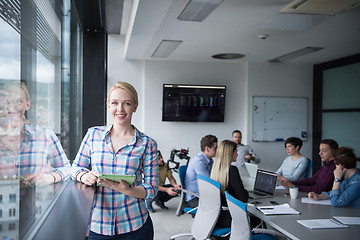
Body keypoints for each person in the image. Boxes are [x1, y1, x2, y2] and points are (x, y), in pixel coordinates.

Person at [71, 82, 158, 239]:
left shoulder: (147, 143)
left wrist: (128, 190)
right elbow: (76, 167)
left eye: (127, 103)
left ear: (135, 107)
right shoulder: (93, 135)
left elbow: (152, 188)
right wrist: (84, 176)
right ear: (108, 106)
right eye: (115, 103)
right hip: (98, 225)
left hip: (135, 225)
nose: (120, 109)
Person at [0, 82, 70, 185]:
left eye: (18, 101)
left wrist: (50, 178)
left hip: (37, 200)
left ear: (27, 105)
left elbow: (66, 168)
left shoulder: (45, 135)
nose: (11, 107)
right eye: (7, 102)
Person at [210, 140, 248, 228]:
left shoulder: (215, 169)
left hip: (217, 217)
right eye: (236, 152)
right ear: (230, 153)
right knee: (258, 220)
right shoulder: (232, 170)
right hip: (231, 217)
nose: (237, 154)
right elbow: (243, 197)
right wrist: (242, 187)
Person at [184, 134, 218, 208]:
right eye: (215, 148)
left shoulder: (209, 159)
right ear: (207, 149)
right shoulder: (199, 162)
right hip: (194, 198)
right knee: (219, 204)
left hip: (202, 194)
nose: (217, 150)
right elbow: (209, 184)